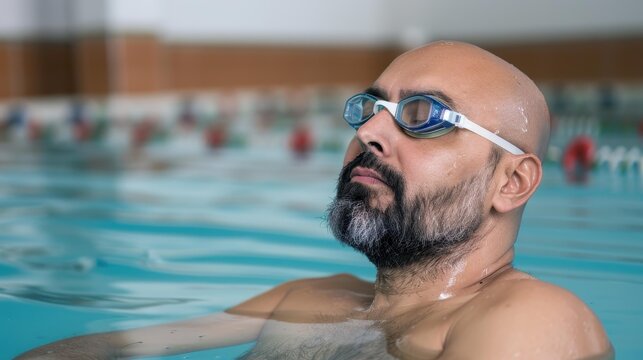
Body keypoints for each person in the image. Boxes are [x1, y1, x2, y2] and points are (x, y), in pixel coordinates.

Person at [16, 41, 612, 360]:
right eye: (370, 109)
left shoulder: (529, 320)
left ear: (512, 182)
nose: (371, 133)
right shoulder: (309, 301)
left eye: (424, 116)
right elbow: (116, 347)